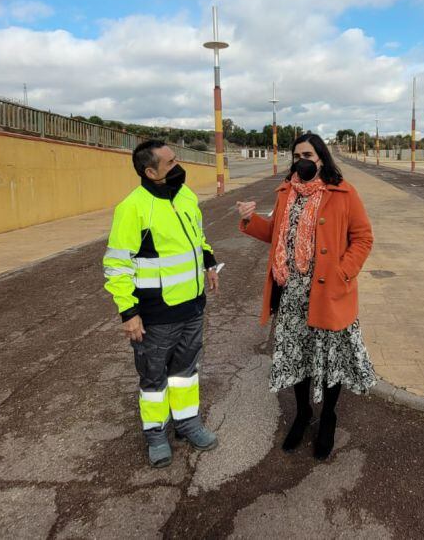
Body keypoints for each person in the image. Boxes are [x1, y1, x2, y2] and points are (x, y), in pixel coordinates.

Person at [237, 133, 376, 460]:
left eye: (309, 154)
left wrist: (344, 272)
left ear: (322, 158)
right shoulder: (287, 191)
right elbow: (274, 234)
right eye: (297, 154)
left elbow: (363, 238)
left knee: (329, 361)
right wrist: (248, 219)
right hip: (291, 295)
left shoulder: (343, 192)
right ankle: (303, 414)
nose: (303, 160)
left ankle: (327, 417)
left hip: (329, 294)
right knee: (297, 357)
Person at [103, 139, 220, 468]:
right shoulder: (133, 208)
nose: (178, 164)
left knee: (185, 373)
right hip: (156, 316)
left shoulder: (185, 196)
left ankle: (187, 424)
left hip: (193, 307)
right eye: (170, 162)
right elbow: (117, 265)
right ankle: (156, 433)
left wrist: (209, 264)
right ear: (150, 171)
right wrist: (129, 312)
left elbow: (197, 237)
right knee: (154, 379)